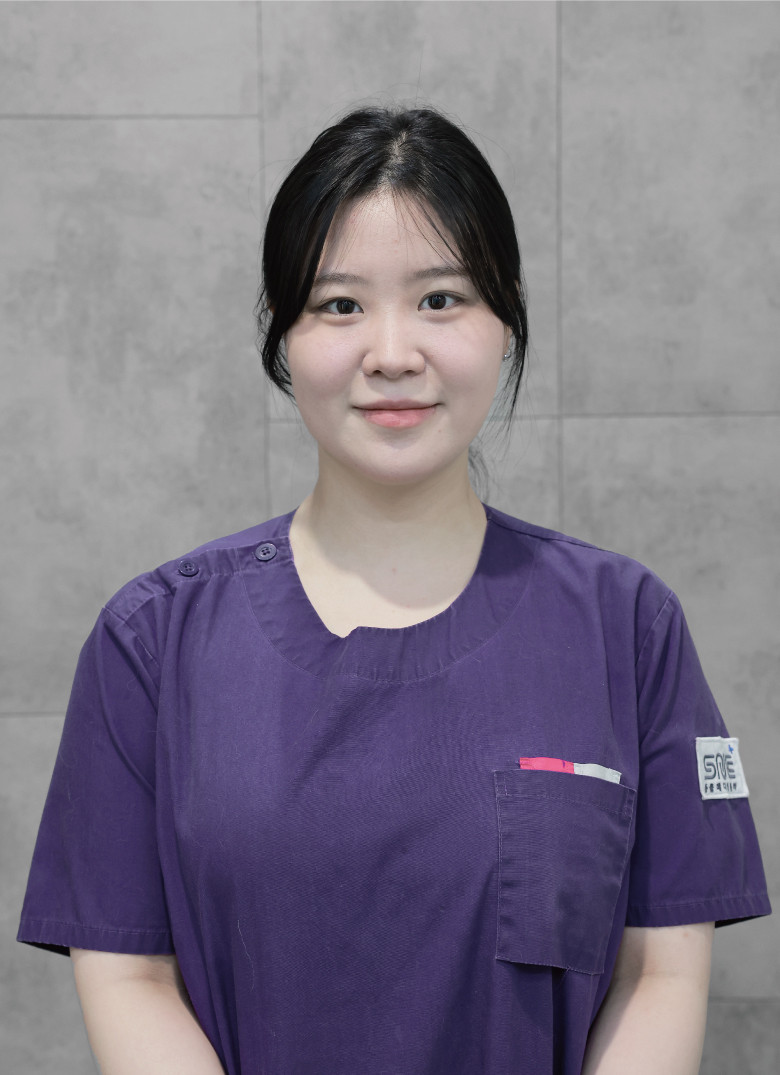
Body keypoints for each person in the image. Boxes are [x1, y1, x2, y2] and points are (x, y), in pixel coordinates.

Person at [18, 106, 770, 1075]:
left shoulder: (625, 626)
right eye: (339, 305)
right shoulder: (152, 642)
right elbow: (130, 976)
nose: (392, 352)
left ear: (506, 320)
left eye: (441, 298)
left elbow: (658, 972)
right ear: (282, 332)